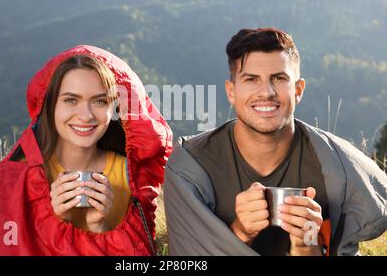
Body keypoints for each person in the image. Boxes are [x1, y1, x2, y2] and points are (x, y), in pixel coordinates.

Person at [164, 28, 387, 256]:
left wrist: (308, 245)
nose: (266, 92)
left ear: (298, 90)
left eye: (279, 78)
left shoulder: (340, 164)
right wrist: (241, 232)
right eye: (251, 79)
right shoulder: (191, 166)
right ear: (231, 92)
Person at [0, 45, 172, 255]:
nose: (85, 115)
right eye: (71, 100)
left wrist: (98, 226)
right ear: (50, 105)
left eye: (99, 101)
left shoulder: (129, 177)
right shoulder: (17, 180)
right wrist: (52, 224)